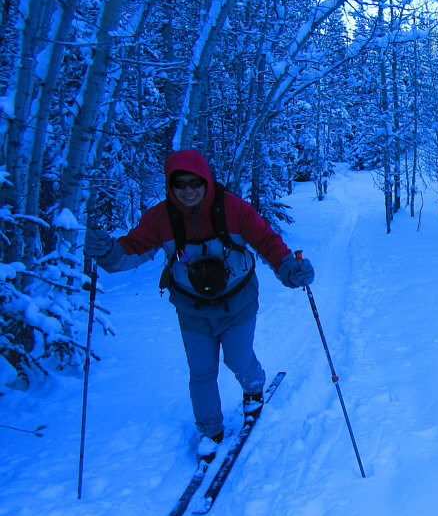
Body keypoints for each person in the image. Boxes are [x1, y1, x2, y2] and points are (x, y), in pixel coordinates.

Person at [84, 149, 313, 462]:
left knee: (238, 359)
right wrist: (107, 251)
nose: (188, 190)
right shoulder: (161, 218)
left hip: (238, 304)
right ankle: (210, 431)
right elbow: (132, 249)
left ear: (206, 180)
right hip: (192, 309)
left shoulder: (234, 209)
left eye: (195, 183)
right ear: (170, 186)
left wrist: (289, 268)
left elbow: (266, 241)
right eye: (179, 184)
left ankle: (254, 387)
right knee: (201, 372)